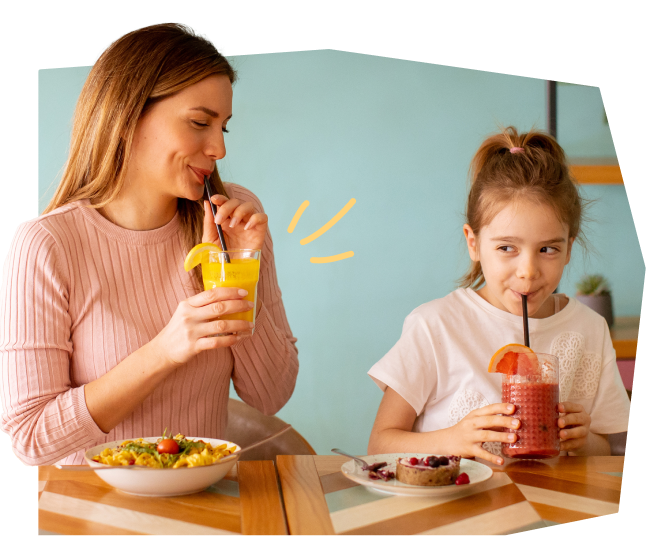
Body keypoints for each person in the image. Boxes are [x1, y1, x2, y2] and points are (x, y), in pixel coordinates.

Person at [0, 23, 298, 466]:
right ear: (127, 115)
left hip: (205, 508)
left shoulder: (234, 214)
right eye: (199, 122)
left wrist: (240, 270)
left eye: (223, 128)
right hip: (92, 520)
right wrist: (164, 351)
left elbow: (270, 395)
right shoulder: (47, 245)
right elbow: (32, 439)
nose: (217, 147)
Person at [367, 126, 630, 465]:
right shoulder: (435, 326)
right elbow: (378, 443)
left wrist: (583, 441)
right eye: (507, 247)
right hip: (458, 512)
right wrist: (453, 438)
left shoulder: (590, 330)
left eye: (548, 248)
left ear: (569, 249)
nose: (528, 270)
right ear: (473, 243)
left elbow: (605, 450)